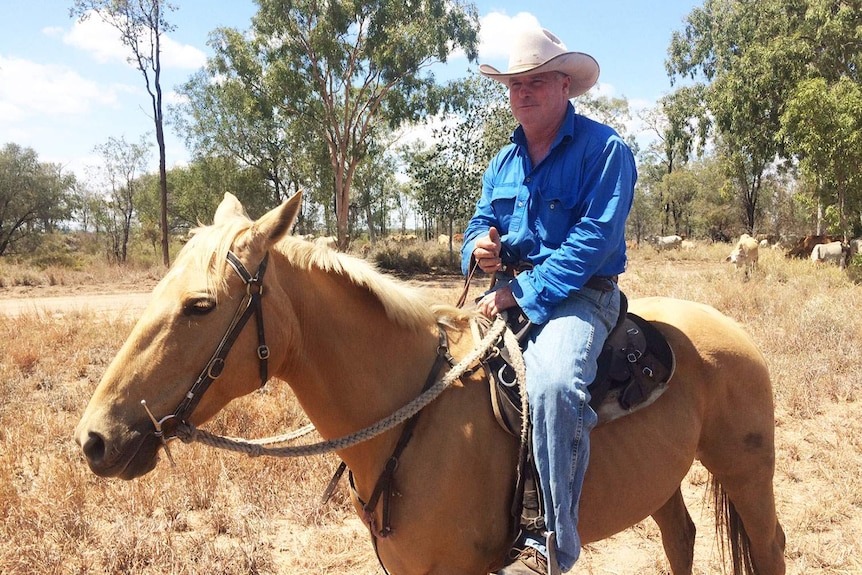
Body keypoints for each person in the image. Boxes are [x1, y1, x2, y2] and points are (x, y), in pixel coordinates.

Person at [460, 26, 636, 575]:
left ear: (565, 85)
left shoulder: (605, 151)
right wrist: (478, 250)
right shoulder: (502, 162)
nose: (522, 93)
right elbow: (479, 223)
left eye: (535, 81)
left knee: (556, 386)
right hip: (508, 293)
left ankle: (548, 543)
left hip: (582, 297)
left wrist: (520, 292)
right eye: (515, 83)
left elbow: (592, 242)